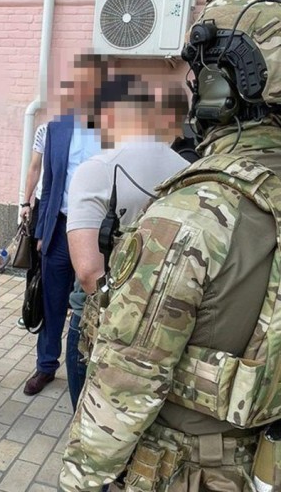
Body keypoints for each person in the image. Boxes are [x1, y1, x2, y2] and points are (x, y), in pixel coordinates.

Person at [61, 0, 281, 491]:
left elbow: (126, 379)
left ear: (221, 86)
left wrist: (80, 480)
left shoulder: (194, 213)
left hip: (191, 469)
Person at [64, 76, 188, 412]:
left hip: (103, 327)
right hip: (168, 323)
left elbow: (88, 273)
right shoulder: (189, 170)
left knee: (91, 421)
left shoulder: (97, 170)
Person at [23, 54, 103, 396]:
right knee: (52, 301)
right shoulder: (55, 130)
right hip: (59, 228)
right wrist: (41, 231)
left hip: (97, 232)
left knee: (94, 303)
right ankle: (46, 366)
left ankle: (91, 367)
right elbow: (49, 181)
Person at [17, 122, 47, 328]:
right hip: (43, 201)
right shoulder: (45, 130)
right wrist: (26, 202)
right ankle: (31, 309)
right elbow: (34, 167)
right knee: (35, 259)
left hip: (75, 203)